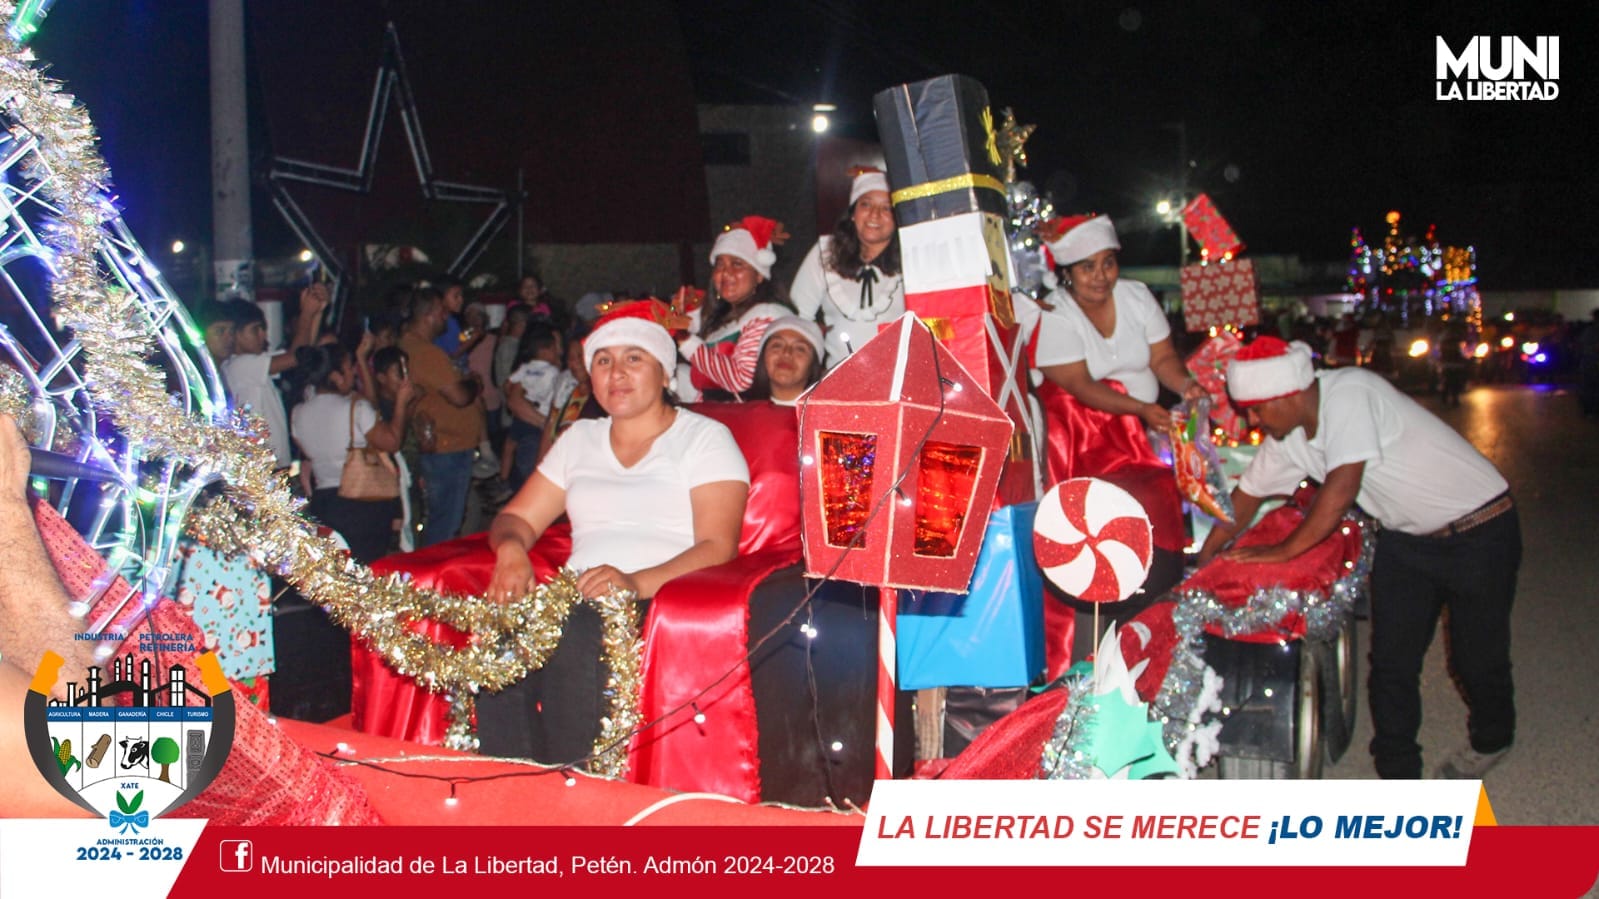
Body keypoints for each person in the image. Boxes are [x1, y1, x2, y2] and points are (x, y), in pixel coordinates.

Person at [1196, 337, 1520, 780]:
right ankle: (1398, 770)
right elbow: (1246, 498)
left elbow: (1342, 486)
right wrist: (1207, 558)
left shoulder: (1350, 392)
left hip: (1480, 530)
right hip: (1406, 542)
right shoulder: (1288, 439)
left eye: (1256, 410)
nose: (1253, 421)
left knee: (1476, 658)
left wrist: (1284, 551)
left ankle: (1493, 738)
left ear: (1287, 395)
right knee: (1391, 663)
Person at [478, 313, 750, 763]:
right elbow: (517, 518)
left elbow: (718, 547)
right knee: (504, 634)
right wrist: (510, 550)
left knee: (581, 630)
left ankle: (575, 783)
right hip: (576, 594)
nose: (616, 372)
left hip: (662, 596)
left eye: (634, 358)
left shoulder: (704, 438)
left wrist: (633, 582)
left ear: (665, 373)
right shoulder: (580, 438)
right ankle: (515, 783)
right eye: (603, 361)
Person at [1032, 214, 1206, 432]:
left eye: (1108, 263)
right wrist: (1140, 408)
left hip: (1139, 427)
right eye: (1088, 267)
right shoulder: (1053, 313)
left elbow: (1162, 357)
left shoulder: (1137, 296)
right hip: (1082, 435)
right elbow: (1080, 385)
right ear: (1067, 272)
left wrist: (1186, 385)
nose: (1101, 276)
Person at [288, 343, 402, 565]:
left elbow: (306, 451)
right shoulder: (355, 408)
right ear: (335, 376)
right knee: (368, 567)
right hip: (362, 502)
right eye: (350, 368)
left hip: (324, 502)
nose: (354, 374)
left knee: (335, 570)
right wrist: (402, 404)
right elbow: (392, 442)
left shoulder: (298, 413)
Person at [789, 167, 903, 368]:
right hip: (836, 376)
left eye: (886, 208)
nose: (874, 214)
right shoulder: (825, 251)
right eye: (866, 204)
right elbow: (798, 318)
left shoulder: (910, 256)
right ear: (853, 213)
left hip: (896, 378)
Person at [398, 287, 486, 547]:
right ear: (430, 314)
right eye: (442, 312)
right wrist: (474, 383)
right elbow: (458, 396)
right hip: (447, 447)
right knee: (444, 524)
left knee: (444, 518)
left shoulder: (414, 347)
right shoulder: (426, 353)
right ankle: (434, 570)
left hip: (444, 445)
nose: (446, 317)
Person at [674, 215, 793, 400]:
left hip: (753, 416)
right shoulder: (719, 318)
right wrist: (678, 317)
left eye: (737, 264)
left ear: (759, 275)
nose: (726, 272)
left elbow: (743, 379)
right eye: (720, 264)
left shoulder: (767, 316)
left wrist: (686, 341)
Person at [221, 284, 329, 468]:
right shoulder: (237, 366)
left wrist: (316, 313)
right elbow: (296, 356)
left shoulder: (254, 363)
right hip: (262, 468)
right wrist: (306, 313)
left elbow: (303, 354)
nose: (263, 335)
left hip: (272, 466)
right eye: (256, 329)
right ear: (236, 335)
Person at [501, 325, 564, 490]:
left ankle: (503, 479)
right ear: (547, 350)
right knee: (533, 457)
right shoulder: (553, 371)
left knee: (510, 445)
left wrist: (523, 393)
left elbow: (507, 384)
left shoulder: (525, 367)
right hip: (539, 419)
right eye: (555, 347)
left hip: (520, 419)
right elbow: (553, 393)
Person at [746, 315, 824, 406]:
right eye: (777, 345)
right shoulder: (739, 411)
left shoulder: (829, 412)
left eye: (800, 349)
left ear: (813, 364)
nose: (787, 353)